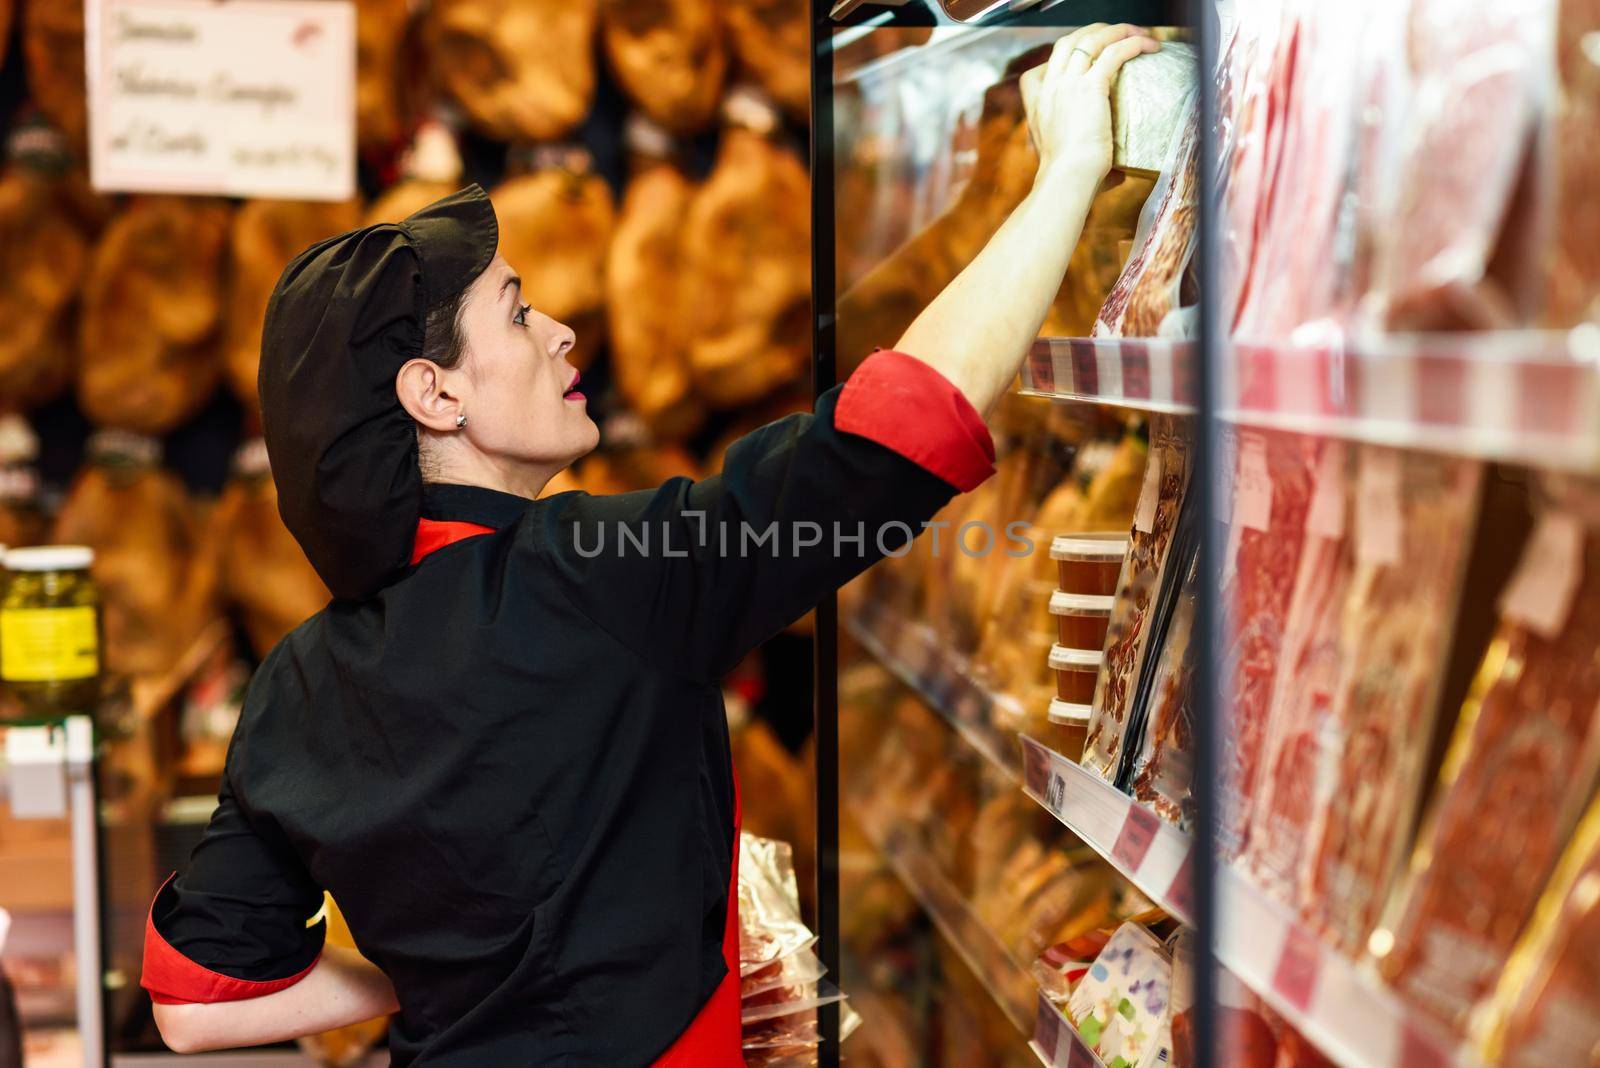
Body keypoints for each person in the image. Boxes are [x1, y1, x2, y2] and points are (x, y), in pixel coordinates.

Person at [140, 25, 1160, 1066]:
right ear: (432, 394)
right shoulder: (597, 580)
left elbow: (196, 1002)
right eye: (517, 311)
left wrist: (446, 976)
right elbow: (890, 435)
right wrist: (1066, 172)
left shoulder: (296, 686)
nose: (561, 333)